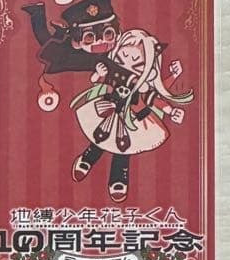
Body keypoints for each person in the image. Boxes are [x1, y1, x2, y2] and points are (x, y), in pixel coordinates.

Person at [70, 28, 193, 201]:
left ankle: (118, 176)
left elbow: (154, 98)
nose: (126, 67)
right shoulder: (113, 73)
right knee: (100, 137)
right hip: (108, 108)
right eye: (122, 60)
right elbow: (96, 81)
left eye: (136, 65)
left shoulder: (142, 87)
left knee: (124, 147)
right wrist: (99, 74)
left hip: (132, 118)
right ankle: (88, 157)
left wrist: (171, 110)